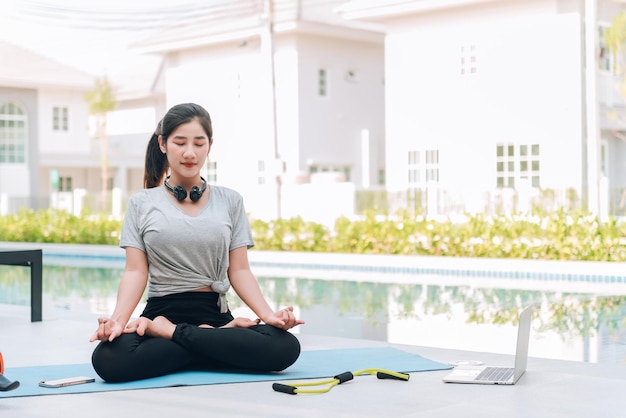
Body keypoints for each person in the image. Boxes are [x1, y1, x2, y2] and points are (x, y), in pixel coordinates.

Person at [90, 103, 303, 382]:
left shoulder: (230, 200)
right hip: (160, 312)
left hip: (205, 316)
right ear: (163, 144)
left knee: (285, 347)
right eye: (180, 142)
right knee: (108, 358)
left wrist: (268, 316)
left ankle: (177, 336)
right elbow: (135, 271)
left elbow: (238, 270)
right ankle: (214, 343)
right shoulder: (142, 203)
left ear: (209, 146)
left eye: (199, 143)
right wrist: (116, 323)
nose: (190, 152)